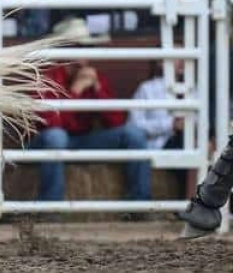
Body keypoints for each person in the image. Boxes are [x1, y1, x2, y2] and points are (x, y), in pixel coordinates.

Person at [29, 17, 150, 205]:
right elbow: (51, 125)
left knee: (133, 134)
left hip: (83, 140)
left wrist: (97, 90)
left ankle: (140, 205)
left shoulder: (94, 78)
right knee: (56, 137)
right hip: (44, 142)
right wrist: (76, 91)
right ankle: (50, 208)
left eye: (87, 48)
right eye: (77, 48)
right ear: (63, 51)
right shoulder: (45, 79)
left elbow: (116, 122)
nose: (83, 55)